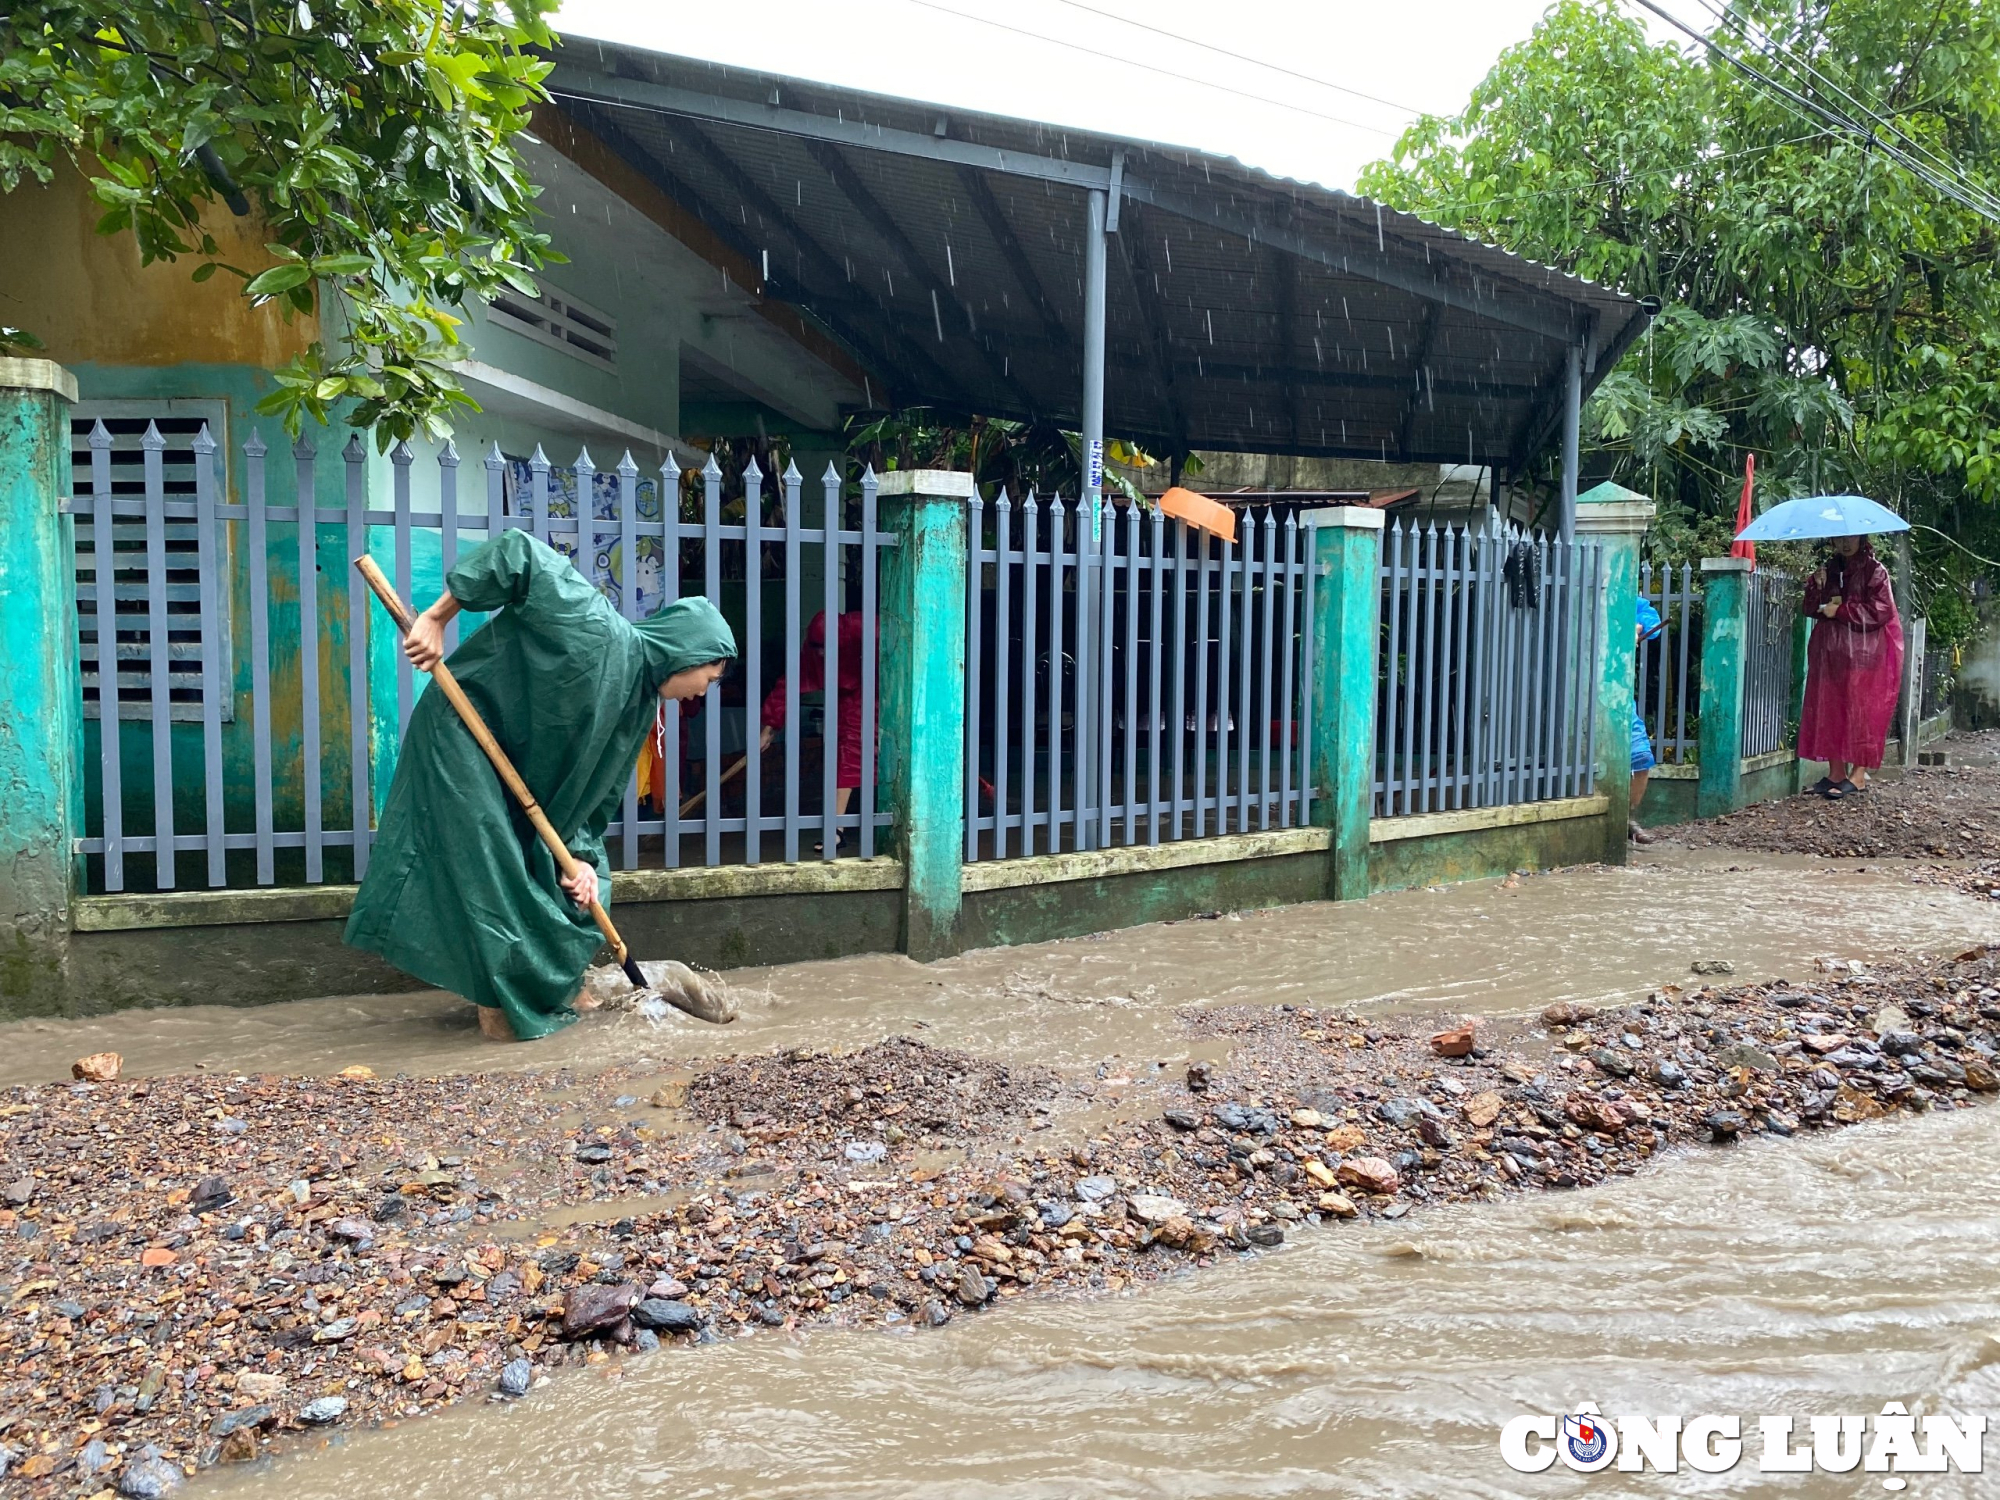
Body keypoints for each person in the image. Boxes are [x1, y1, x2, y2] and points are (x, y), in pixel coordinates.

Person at [344, 530, 737, 1042]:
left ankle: (556, 989)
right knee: (497, 874)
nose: (702, 692)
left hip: (517, 773)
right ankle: (504, 1010)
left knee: (576, 886)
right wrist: (436, 619)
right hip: (464, 738)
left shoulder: (638, 702)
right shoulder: (597, 628)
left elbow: (589, 802)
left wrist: (582, 862)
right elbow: (518, 554)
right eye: (710, 676)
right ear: (688, 654)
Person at [1799, 533, 1904, 799]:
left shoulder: (1875, 571)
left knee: (1862, 711)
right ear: (1832, 541)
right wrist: (1816, 587)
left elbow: (1881, 611)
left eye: (1851, 538)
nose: (1845, 543)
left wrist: (1842, 610)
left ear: (1861, 538)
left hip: (1864, 655)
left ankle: (1858, 776)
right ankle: (1836, 773)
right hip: (1830, 655)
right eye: (1839, 538)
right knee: (1831, 708)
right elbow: (1811, 608)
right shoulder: (1829, 570)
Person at [758, 608, 872, 852]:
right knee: (846, 756)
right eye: (817, 647)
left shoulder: (865, 628)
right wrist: (770, 725)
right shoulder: (813, 651)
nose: (820, 653)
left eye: (825, 648)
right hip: (850, 702)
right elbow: (789, 684)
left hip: (883, 689)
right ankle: (836, 830)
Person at [1629, 594, 1666, 844]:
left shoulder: (1631, 599)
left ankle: (1626, 818)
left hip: (1619, 694)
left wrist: (1638, 627)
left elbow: (1652, 621)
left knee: (1641, 758)